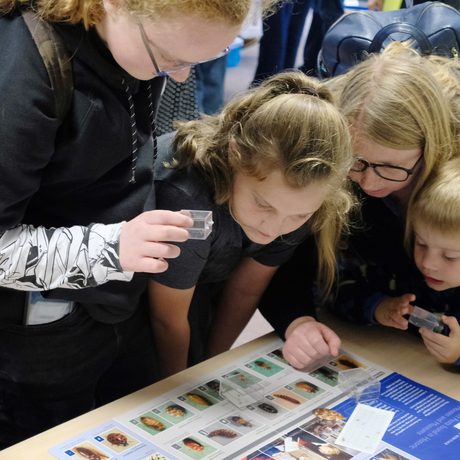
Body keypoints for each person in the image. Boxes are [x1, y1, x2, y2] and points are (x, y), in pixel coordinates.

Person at [0, 0, 278, 448]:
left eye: (200, 61)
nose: (183, 76)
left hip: (113, 307)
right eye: (171, 59)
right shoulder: (22, 74)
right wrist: (110, 248)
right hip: (41, 329)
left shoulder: (128, 43)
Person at [258, 43, 459, 361]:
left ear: (431, 149)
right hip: (366, 336)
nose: (369, 182)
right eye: (356, 161)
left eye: (391, 168)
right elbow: (283, 262)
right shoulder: (325, 154)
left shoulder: (452, 188)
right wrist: (298, 322)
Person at [148, 71, 355, 378]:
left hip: (205, 277)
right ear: (234, 154)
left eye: (298, 217)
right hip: (136, 296)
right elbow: (167, 320)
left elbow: (246, 289)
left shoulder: (299, 200)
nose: (274, 228)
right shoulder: (186, 197)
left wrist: (212, 366)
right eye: (263, 205)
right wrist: (180, 389)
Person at [374, 157, 460, 366]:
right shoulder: (405, 267)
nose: (427, 263)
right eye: (420, 243)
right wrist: (378, 307)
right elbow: (336, 290)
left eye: (450, 256)